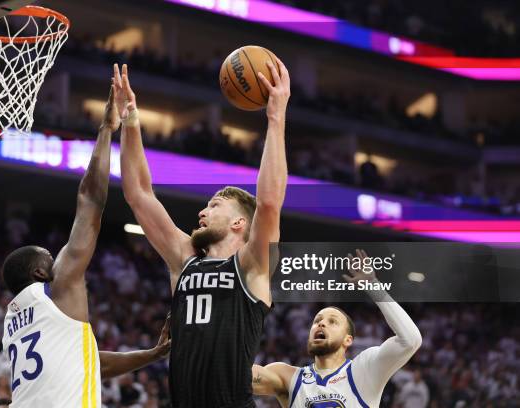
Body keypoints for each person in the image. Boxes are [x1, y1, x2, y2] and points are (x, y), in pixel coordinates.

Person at [116, 59, 290, 408]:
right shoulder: (184, 260)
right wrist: (131, 120)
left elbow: (269, 204)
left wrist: (275, 117)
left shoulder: (252, 265)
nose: (202, 212)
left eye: (215, 205)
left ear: (240, 223)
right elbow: (138, 193)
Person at [0, 66, 169, 407]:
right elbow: (90, 200)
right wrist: (106, 128)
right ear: (40, 273)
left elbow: (90, 363)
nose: (59, 258)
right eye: (51, 258)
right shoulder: (57, 286)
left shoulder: (13, 320)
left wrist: (152, 354)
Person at [252, 250, 422, 407]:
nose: (321, 323)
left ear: (348, 339)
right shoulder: (288, 376)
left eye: (332, 321)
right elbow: (235, 375)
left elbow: (410, 340)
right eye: (317, 320)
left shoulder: (364, 370)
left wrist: (372, 285)